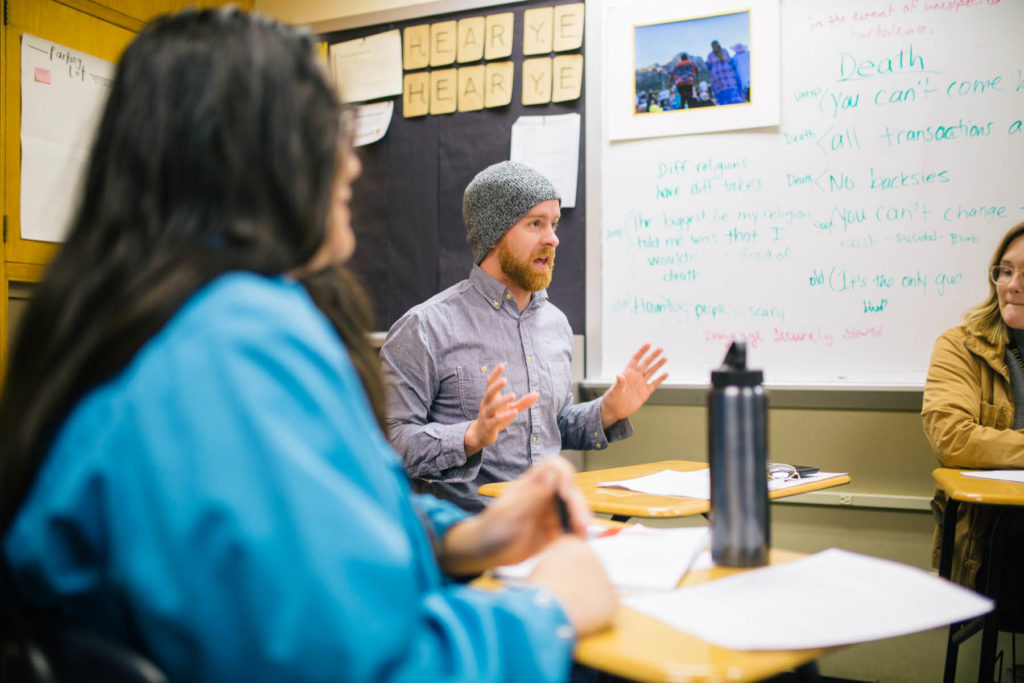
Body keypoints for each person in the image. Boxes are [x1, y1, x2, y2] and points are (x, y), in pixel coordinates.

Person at [0, 9, 617, 682]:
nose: (353, 162)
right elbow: (369, 668)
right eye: (332, 133)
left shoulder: (128, 320)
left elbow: (322, 526)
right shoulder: (241, 342)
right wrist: (550, 609)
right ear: (254, 155)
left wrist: (458, 536)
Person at [380, 161, 668, 512]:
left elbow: (553, 425)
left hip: (549, 525)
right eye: (535, 223)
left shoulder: (556, 325)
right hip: (469, 539)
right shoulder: (425, 328)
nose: (553, 238)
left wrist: (606, 412)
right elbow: (389, 441)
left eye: (554, 223)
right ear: (494, 235)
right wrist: (470, 436)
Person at [922, 220, 1024, 625]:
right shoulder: (960, 345)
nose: (1013, 284)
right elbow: (954, 439)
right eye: (1006, 270)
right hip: (994, 535)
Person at [706, 40, 746, 105]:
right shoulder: (724, 51)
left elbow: (708, 66)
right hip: (729, 77)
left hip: (717, 79)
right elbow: (731, 62)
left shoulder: (710, 55)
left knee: (723, 99)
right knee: (734, 95)